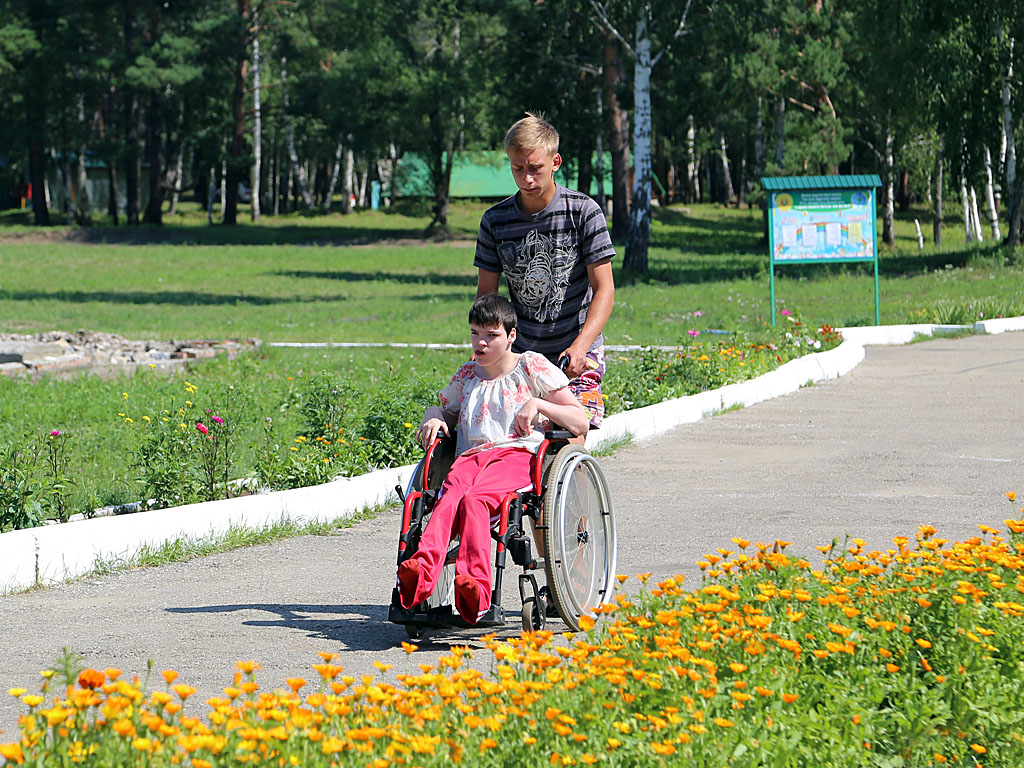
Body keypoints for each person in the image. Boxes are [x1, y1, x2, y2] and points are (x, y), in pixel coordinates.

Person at [397, 294, 589, 625]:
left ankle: (474, 589)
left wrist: (538, 405)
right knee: (448, 498)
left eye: (491, 335)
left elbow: (579, 420)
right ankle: (421, 572)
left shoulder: (530, 366)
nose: (481, 343)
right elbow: (445, 409)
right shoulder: (467, 375)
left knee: (475, 501)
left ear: (511, 335)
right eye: (475, 334)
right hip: (469, 459)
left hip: (515, 455)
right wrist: (432, 415)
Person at [475, 112, 615, 431]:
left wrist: (581, 345)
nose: (527, 179)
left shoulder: (583, 213)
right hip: (522, 353)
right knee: (513, 432)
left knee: (572, 430)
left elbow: (605, 288)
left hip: (577, 349)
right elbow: (487, 298)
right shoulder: (495, 222)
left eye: (535, 169)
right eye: (518, 169)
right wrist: (486, 350)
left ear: (555, 162)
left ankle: (571, 479)